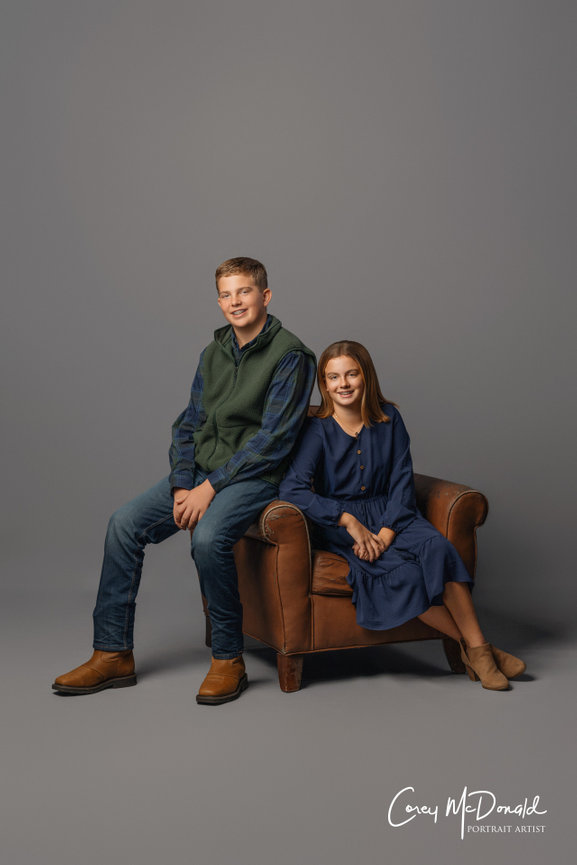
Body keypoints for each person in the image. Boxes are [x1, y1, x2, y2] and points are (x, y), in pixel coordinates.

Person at [53, 257, 316, 705]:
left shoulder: (292, 355)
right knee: (123, 524)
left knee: (207, 538)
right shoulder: (212, 354)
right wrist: (181, 484)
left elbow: (273, 441)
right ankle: (113, 653)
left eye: (245, 292)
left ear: (265, 296)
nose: (236, 302)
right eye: (227, 295)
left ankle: (229, 660)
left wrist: (209, 488)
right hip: (197, 473)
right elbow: (187, 424)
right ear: (219, 302)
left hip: (256, 476)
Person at [279, 340, 525, 691]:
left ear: (367, 377)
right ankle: (481, 653)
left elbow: (401, 481)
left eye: (351, 374)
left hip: (394, 513)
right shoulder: (316, 428)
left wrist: (387, 532)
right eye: (333, 377)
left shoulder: (389, 418)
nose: (343, 384)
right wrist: (348, 521)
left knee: (438, 550)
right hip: (342, 525)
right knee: (404, 575)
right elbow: (294, 491)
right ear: (324, 382)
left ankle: (478, 651)